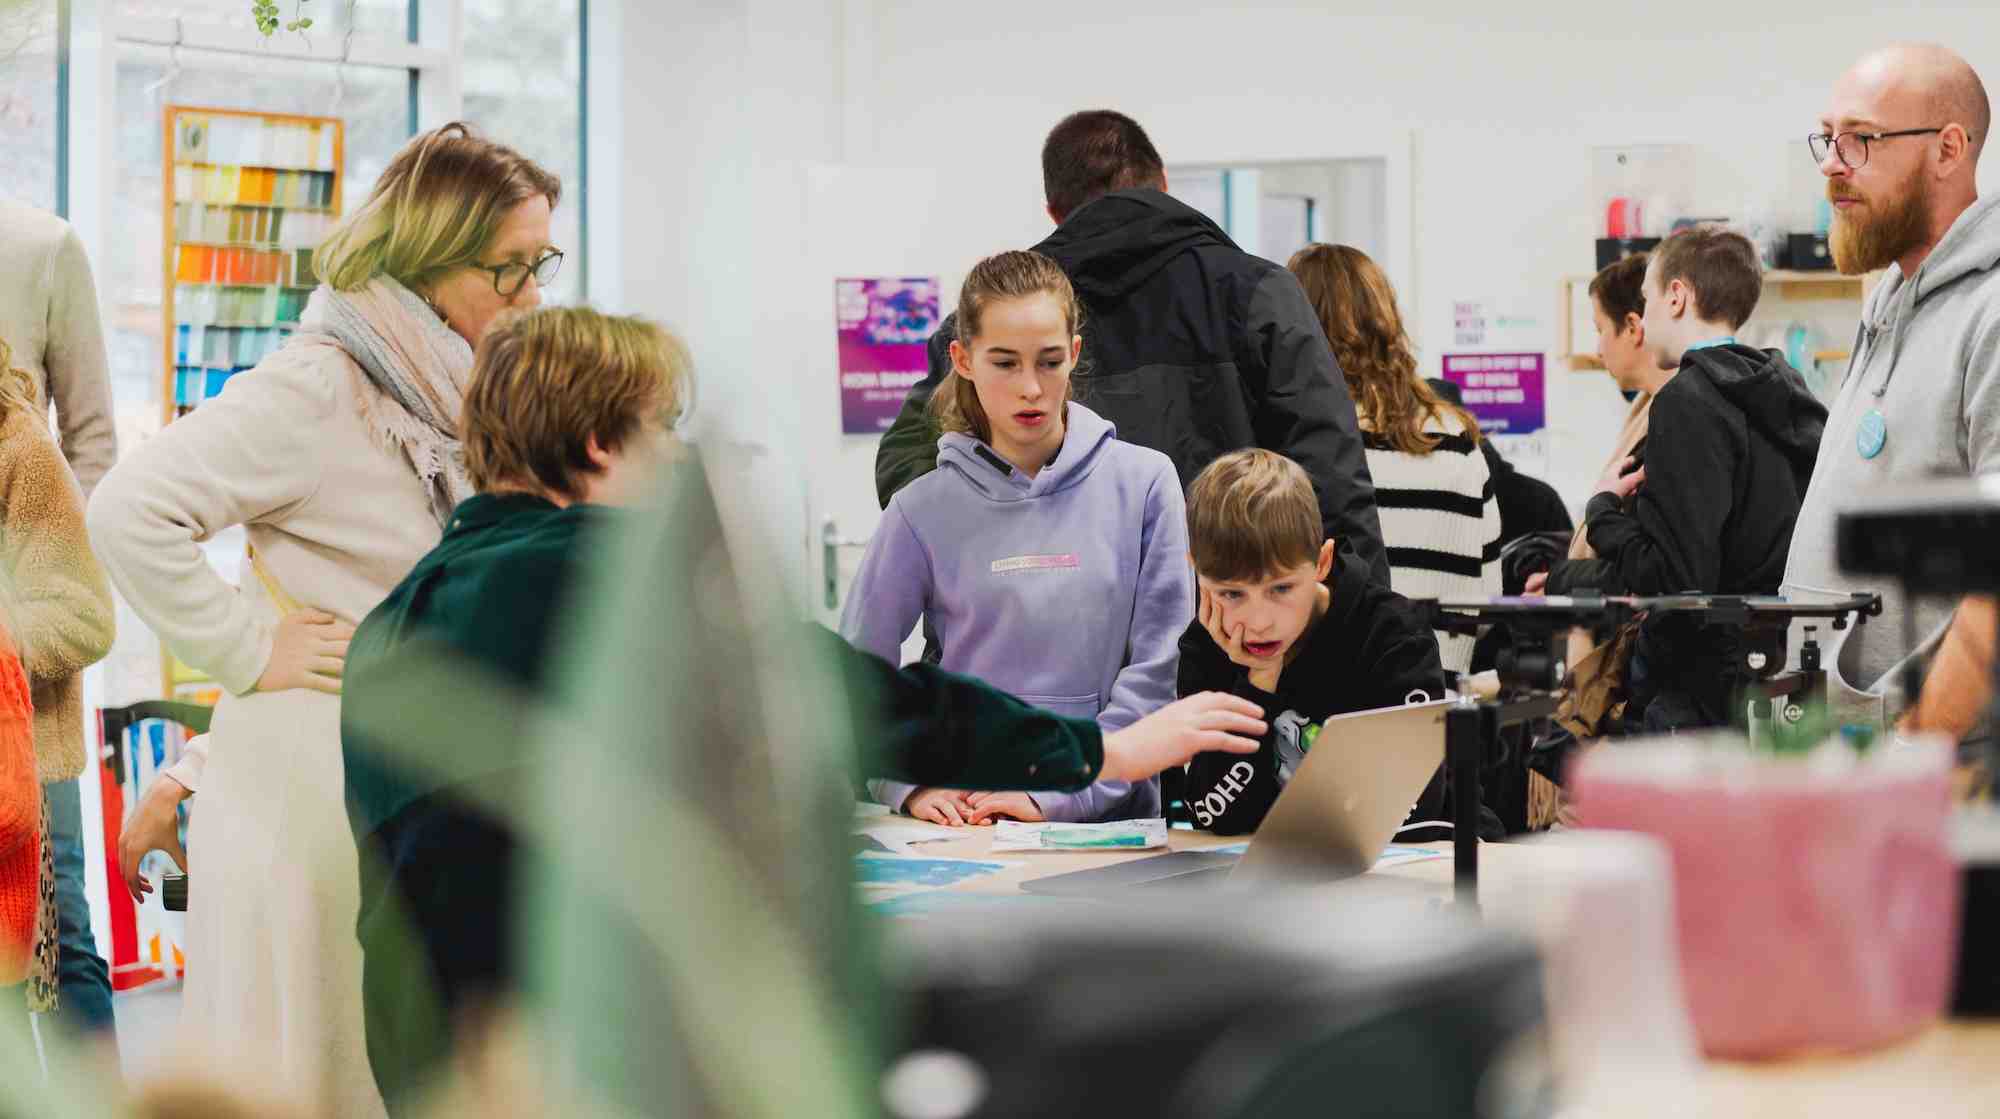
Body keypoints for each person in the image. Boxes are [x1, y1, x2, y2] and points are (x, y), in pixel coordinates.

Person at [339, 304, 1268, 1111]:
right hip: (562, 1059)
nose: (676, 457)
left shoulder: (397, 616)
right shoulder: (600, 579)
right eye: (662, 430)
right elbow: (849, 696)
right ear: (599, 446)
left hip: (433, 1067)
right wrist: (1101, 753)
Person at [93, 122, 562, 1118]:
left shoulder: (453, 400)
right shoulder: (320, 384)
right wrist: (248, 649)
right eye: (508, 270)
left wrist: (193, 759)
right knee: (322, 1073)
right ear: (430, 259)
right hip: (319, 810)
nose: (532, 296)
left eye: (542, 263)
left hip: (400, 787)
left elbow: (379, 601)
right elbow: (129, 510)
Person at [874, 110, 1389, 586]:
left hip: (1044, 628)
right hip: (1237, 626)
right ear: (1162, 183)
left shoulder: (991, 317)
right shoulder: (1260, 293)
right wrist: (1368, 631)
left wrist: (1011, 550)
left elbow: (906, 471)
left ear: (1054, 212)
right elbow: (1334, 488)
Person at [842, 251, 1192, 825]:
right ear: (963, 360)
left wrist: (1061, 794)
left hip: (1112, 827)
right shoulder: (919, 510)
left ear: (1074, 354)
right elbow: (854, 682)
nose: (1030, 387)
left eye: (1049, 362)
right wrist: (906, 784)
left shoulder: (1146, 483)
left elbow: (1160, 671)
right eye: (1004, 363)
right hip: (968, 830)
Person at [1786, 43, 2000, 746]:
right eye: (1828, 137)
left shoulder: (1990, 310)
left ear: (1948, 150)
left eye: (1861, 139)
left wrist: (1917, 747)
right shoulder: (1889, 300)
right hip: (1848, 748)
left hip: (1932, 767)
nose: (1832, 163)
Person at [1545, 228, 1826, 731]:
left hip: (1697, 696)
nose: (1645, 315)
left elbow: (1676, 581)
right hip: (1770, 680)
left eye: (1648, 298)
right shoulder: (1782, 391)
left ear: (1676, 296)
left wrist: (1603, 510)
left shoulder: (1686, 401)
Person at [1177, 449, 1447, 836]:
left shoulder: (1394, 635)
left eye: (1281, 588)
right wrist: (1257, 686)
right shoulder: (1205, 648)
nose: (1260, 622)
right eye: (1231, 593)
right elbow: (1213, 815)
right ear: (1197, 572)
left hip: (1415, 863)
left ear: (1322, 562)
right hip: (1267, 869)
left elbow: (1414, 810)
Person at [0, 199, 119, 1044]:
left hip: (29, 710)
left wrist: (58, 565)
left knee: (60, 926)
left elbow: (93, 443)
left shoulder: (43, 245)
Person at [1286, 244, 1498, 674]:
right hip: (1442, 695)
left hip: (1337, 700)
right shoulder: (1455, 436)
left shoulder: (1304, 444)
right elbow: (1489, 600)